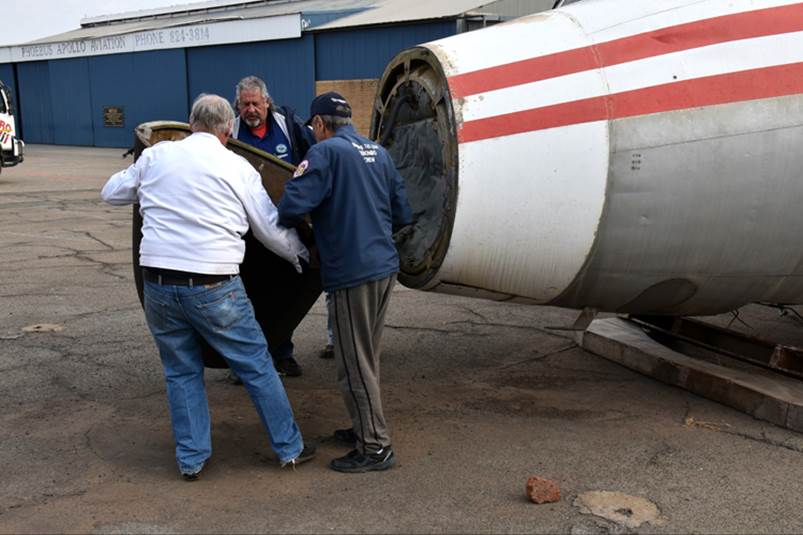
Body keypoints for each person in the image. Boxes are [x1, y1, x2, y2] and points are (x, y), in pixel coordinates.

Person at [100, 93, 315, 480]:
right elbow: (270, 230)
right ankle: (289, 448)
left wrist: (152, 187)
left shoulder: (156, 157)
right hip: (215, 285)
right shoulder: (237, 166)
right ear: (228, 129)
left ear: (191, 122)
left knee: (181, 372)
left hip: (159, 286)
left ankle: (191, 460)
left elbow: (111, 192)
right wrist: (302, 255)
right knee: (257, 366)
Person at [277, 92, 413, 473]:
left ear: (319, 124)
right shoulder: (377, 152)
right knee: (365, 357)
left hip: (352, 272)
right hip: (383, 267)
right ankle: (363, 427)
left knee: (355, 363)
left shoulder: (324, 153)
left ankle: (376, 447)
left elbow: (291, 207)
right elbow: (403, 213)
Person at [230, 75, 316, 378]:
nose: (250, 109)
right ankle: (243, 362)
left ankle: (282, 353)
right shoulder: (231, 130)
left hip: (285, 225)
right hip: (244, 231)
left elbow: (312, 160)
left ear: (267, 101)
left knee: (282, 293)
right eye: (245, 104)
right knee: (247, 295)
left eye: (256, 103)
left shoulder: (288, 127)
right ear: (237, 105)